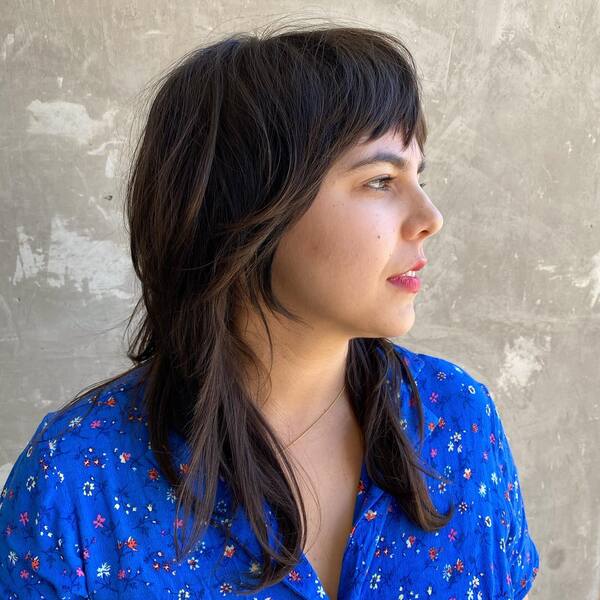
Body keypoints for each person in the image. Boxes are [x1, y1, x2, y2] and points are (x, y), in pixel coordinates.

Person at [0, 22, 539, 599]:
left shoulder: (458, 421)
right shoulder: (78, 482)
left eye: (418, 176)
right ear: (251, 209)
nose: (430, 216)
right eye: (381, 180)